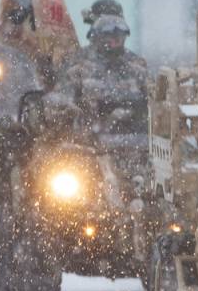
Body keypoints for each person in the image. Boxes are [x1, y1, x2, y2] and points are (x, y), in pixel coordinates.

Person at [46, 13, 150, 189]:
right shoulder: (79, 64)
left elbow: (153, 97)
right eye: (110, 36)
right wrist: (70, 111)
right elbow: (62, 98)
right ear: (97, 37)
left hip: (137, 145)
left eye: (120, 36)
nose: (115, 40)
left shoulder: (136, 65)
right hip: (88, 145)